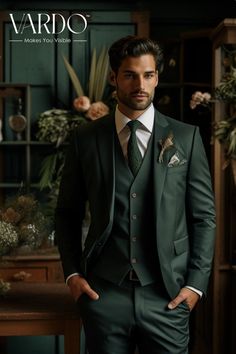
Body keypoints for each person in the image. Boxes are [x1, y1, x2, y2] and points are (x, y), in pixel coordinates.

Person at [55, 35, 216, 354]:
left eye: (148, 75)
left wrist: (195, 284)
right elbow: (67, 213)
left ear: (157, 77)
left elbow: (204, 218)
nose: (140, 84)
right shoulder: (85, 139)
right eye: (130, 75)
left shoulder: (187, 138)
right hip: (104, 296)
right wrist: (73, 273)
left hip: (167, 296)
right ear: (114, 78)